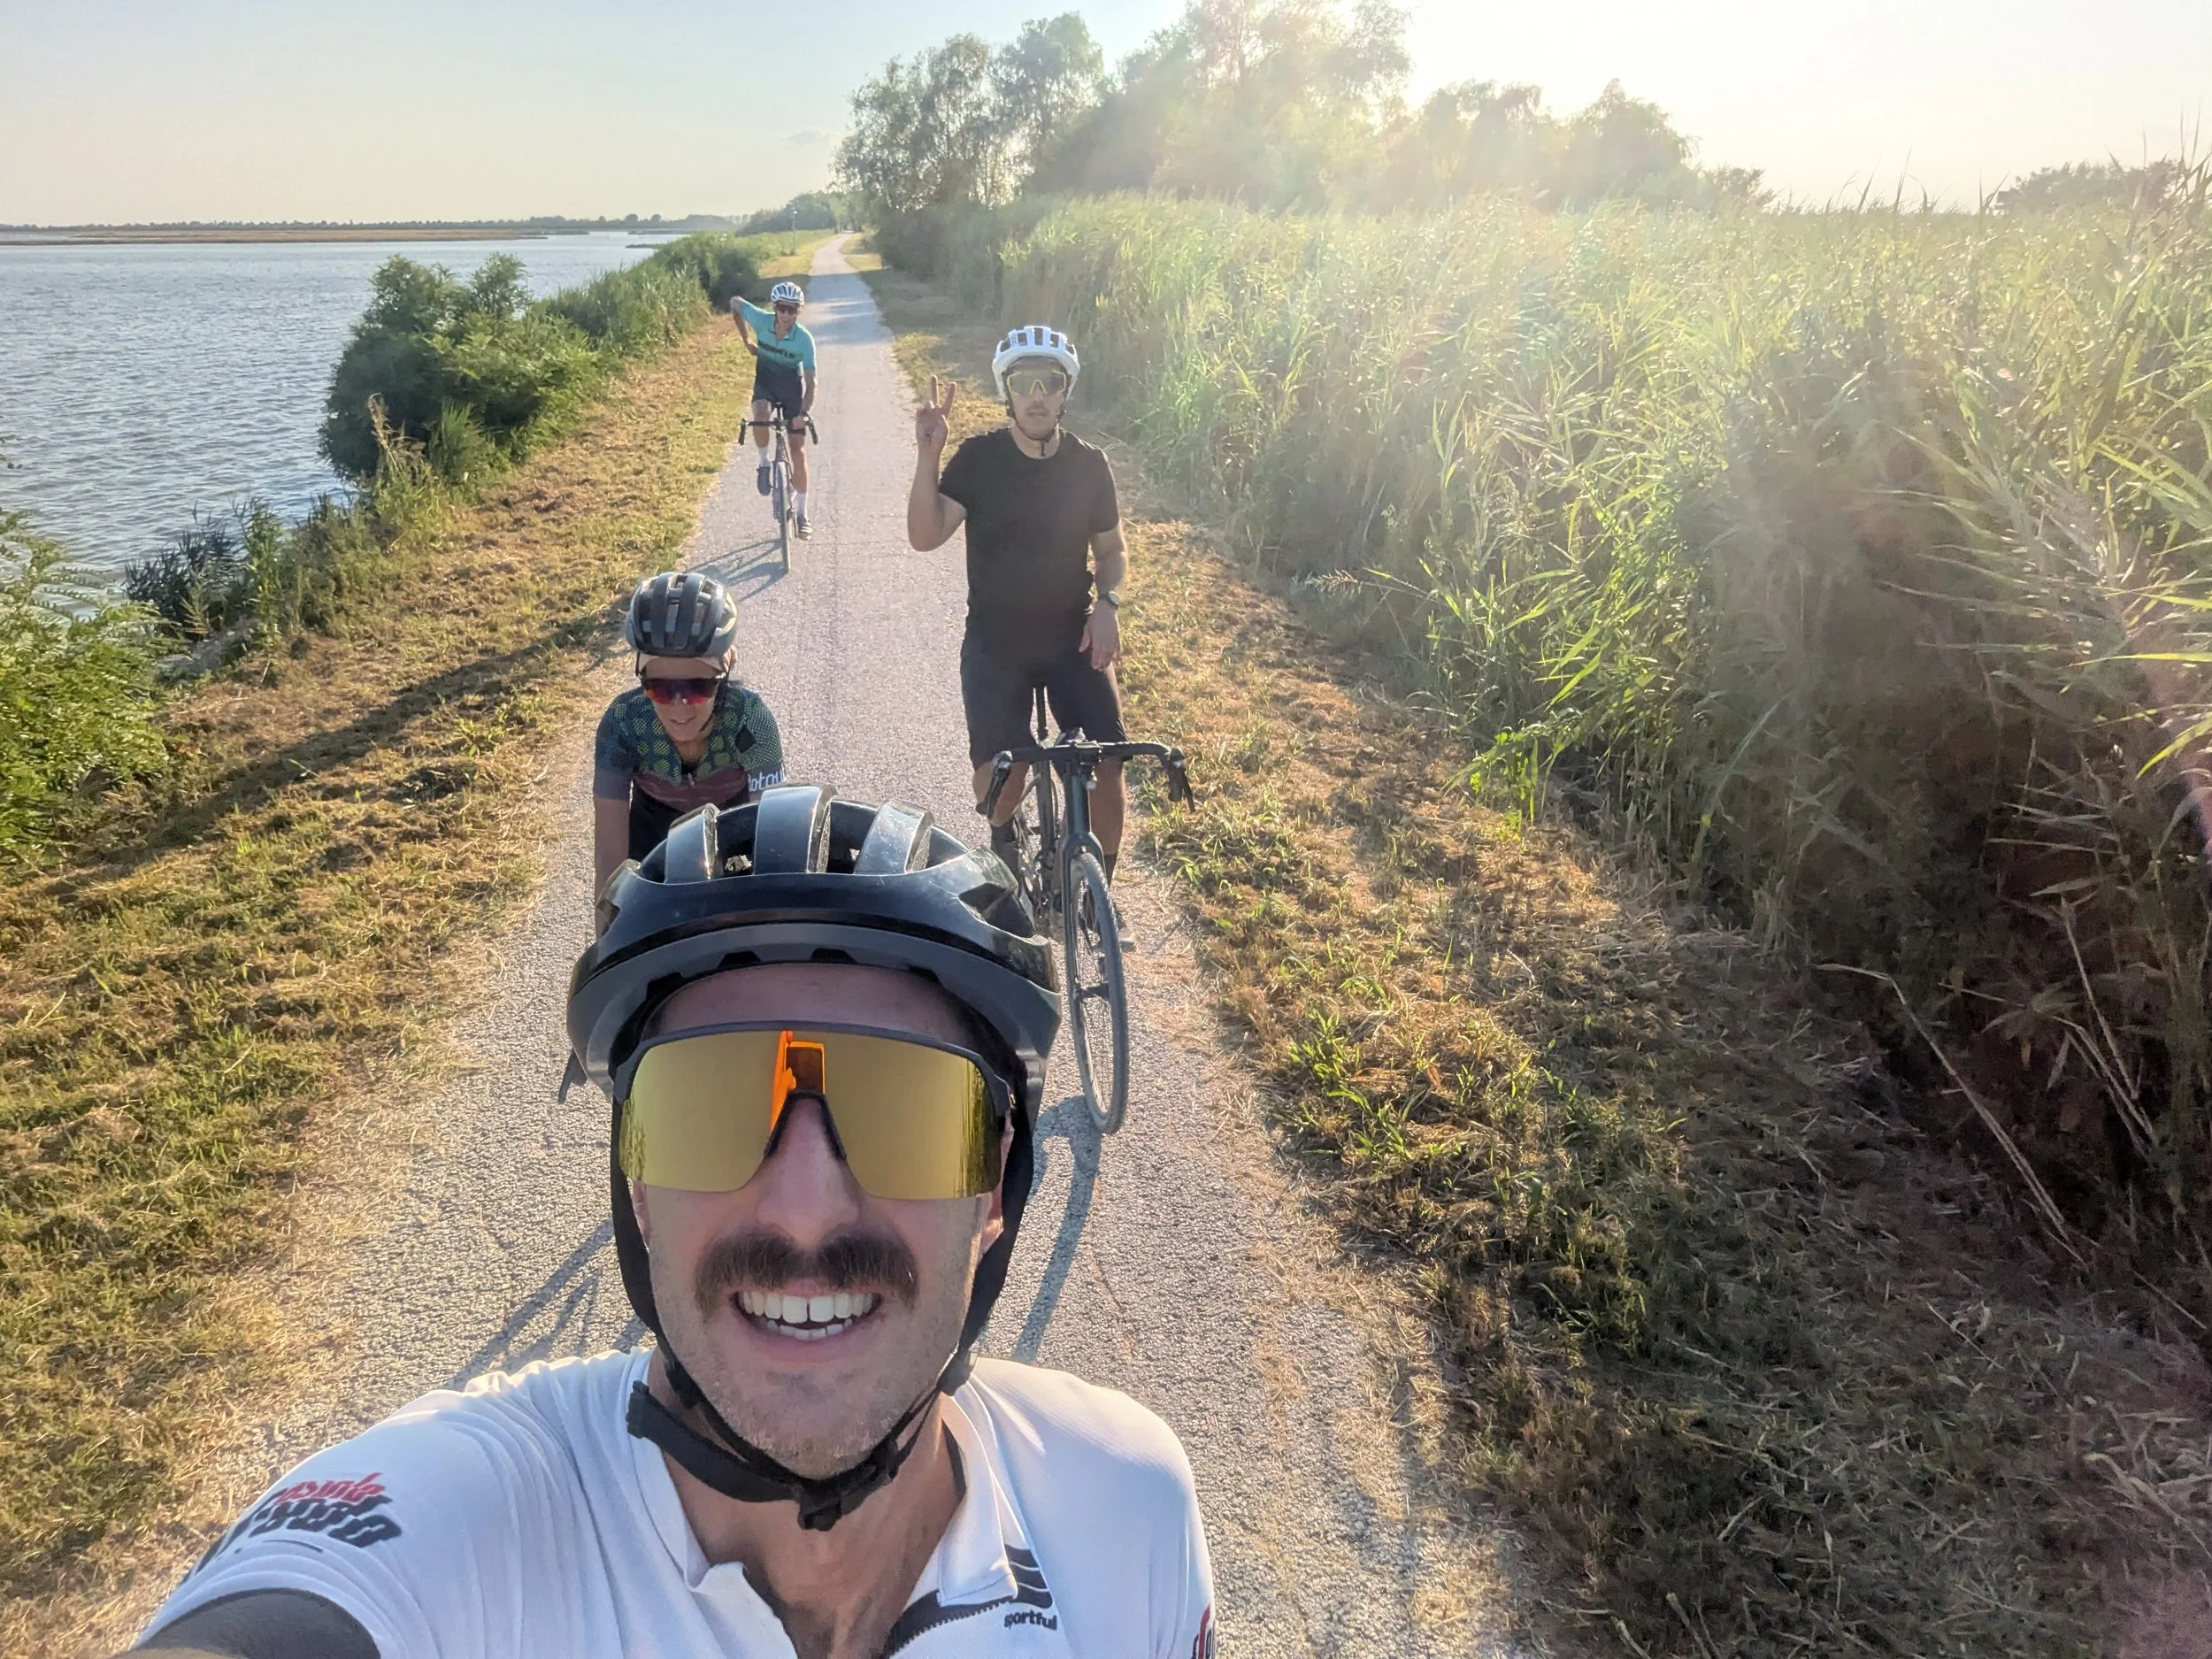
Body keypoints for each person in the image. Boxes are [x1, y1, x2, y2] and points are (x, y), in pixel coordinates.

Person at [129, 787, 1218, 1659]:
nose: (804, 1209)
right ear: (636, 1186)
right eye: (704, 1106)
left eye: (906, 1112)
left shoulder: (1126, 1512)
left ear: (994, 1190)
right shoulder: (473, 1532)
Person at [905, 326, 1128, 886]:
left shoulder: (1089, 464)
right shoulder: (979, 459)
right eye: (1024, 382)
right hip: (995, 641)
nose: (1036, 395)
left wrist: (1108, 603)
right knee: (1009, 775)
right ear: (1007, 389)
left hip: (1070, 636)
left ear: (1064, 393)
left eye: (1049, 383)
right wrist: (928, 454)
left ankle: (1096, 889)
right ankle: (1004, 838)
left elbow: (1111, 548)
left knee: (1108, 756)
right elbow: (925, 535)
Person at [593, 571, 783, 907]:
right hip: (653, 828)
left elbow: (773, 843)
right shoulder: (622, 722)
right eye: (659, 688)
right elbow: (610, 862)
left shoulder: (751, 719)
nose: (679, 707)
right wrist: (608, 948)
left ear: (727, 666)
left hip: (733, 823)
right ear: (639, 673)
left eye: (698, 687)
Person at [730, 280, 818, 539]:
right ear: (775, 307)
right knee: (758, 416)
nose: (786, 315)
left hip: (792, 388)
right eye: (782, 308)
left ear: (798, 312)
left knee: (798, 452)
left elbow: (813, 382)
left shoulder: (804, 339)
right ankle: (763, 465)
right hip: (766, 383)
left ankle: (802, 514)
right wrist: (746, 340)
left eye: (793, 310)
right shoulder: (760, 320)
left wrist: (803, 413)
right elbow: (735, 303)